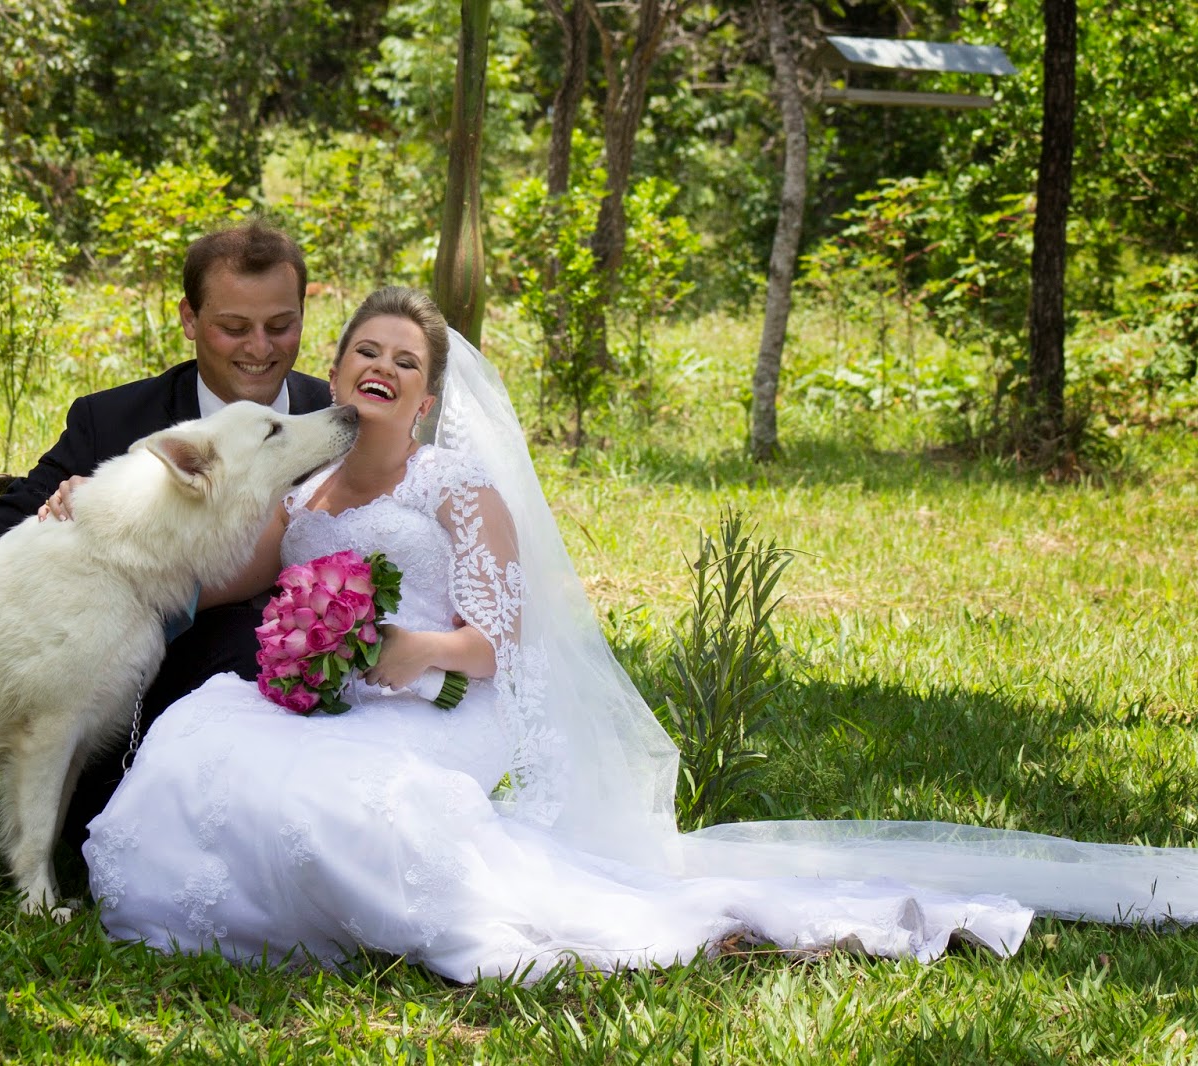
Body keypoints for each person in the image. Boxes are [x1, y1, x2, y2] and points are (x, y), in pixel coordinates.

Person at [85, 286, 1195, 983]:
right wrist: (91, 517)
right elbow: (216, 572)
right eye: (364, 350)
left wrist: (407, 653)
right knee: (197, 743)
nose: (380, 367)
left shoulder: (457, 487)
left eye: (405, 360)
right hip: (334, 701)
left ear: (425, 397)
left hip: (444, 704)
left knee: (347, 802)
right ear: (336, 372)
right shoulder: (303, 487)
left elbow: (495, 645)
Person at [0, 221, 332, 848]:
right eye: (233, 326)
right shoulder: (113, 421)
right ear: (189, 319)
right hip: (134, 692)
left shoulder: (337, 417)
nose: (260, 347)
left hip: (296, 680)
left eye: (281, 325)